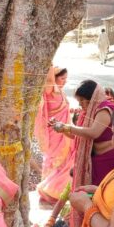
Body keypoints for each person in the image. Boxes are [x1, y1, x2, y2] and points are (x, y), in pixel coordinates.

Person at [49, 80, 114, 227]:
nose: (80, 104)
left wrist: (68, 127)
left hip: (109, 159)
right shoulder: (88, 112)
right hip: (95, 159)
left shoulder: (104, 109)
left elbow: (93, 133)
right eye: (79, 101)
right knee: (93, 195)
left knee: (103, 196)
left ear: (92, 97)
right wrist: (62, 129)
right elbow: (79, 136)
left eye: (82, 100)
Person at [35, 66, 74, 204]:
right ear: (54, 78)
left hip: (64, 133)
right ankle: (48, 191)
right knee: (54, 162)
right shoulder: (50, 90)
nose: (65, 81)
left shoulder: (61, 92)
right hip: (54, 135)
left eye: (66, 79)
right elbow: (49, 79)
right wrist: (51, 65)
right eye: (62, 78)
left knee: (65, 163)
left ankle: (57, 191)